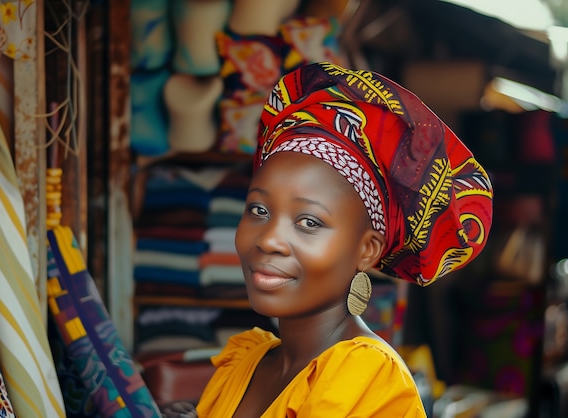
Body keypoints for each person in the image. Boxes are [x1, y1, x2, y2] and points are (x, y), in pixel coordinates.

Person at [195, 62, 494, 417]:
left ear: (367, 250)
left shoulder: (367, 380)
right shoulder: (243, 364)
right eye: (259, 211)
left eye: (308, 221)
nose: (270, 239)